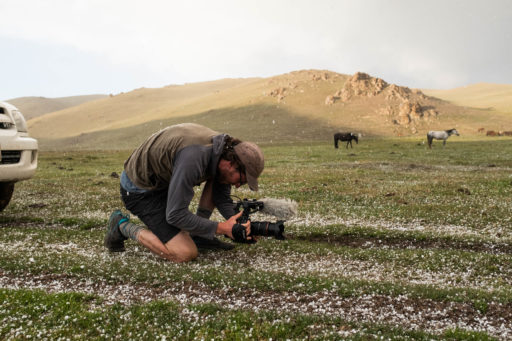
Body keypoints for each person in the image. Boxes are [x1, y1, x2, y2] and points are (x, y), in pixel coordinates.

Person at [104, 123, 264, 263]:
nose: (237, 186)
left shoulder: (223, 150)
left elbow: (220, 196)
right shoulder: (194, 158)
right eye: (241, 180)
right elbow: (175, 215)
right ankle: (120, 226)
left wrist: (239, 226)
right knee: (184, 252)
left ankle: (200, 237)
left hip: (165, 181)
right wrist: (222, 228)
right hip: (140, 190)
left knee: (218, 179)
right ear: (231, 164)